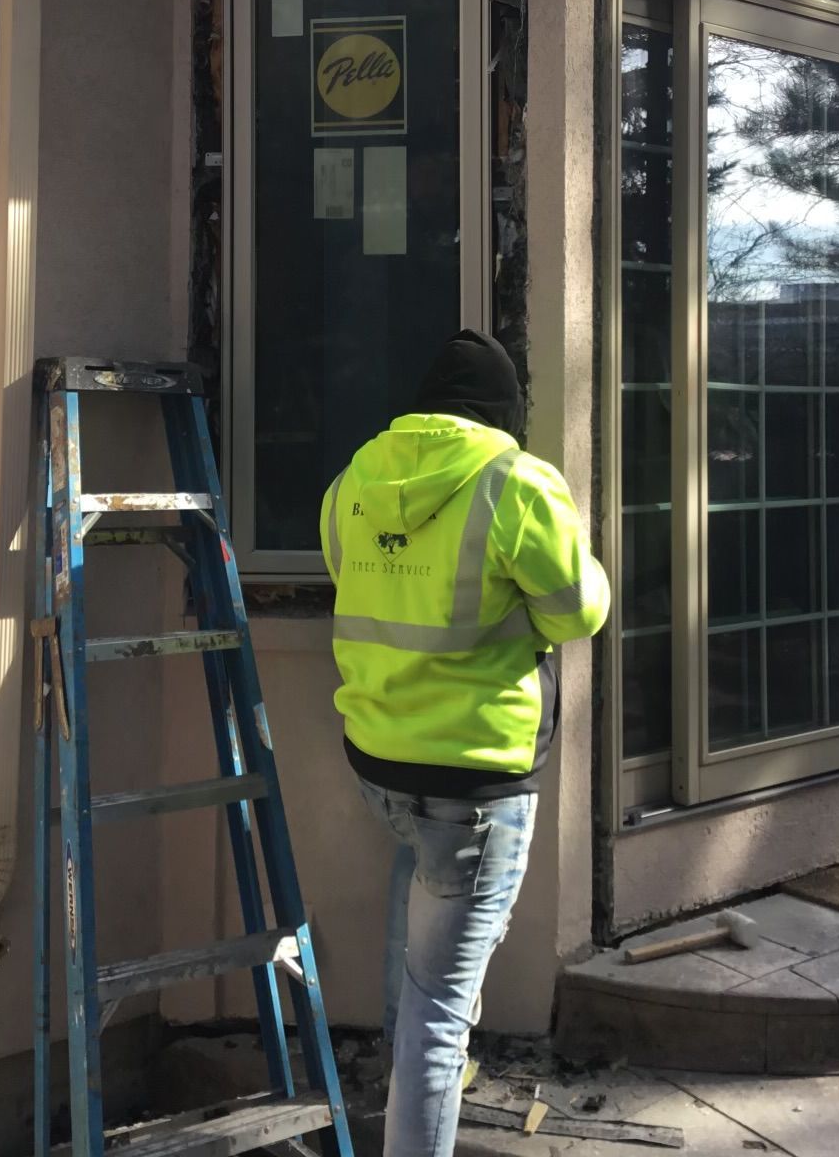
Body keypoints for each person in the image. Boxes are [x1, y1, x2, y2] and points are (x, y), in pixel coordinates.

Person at [319, 328, 610, 1157]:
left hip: (380, 764)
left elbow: (349, 574)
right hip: (475, 783)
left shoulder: (353, 482)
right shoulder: (514, 481)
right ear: (504, 415)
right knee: (440, 1016)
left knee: (418, 929)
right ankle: (419, 1106)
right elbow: (578, 612)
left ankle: (404, 1077)